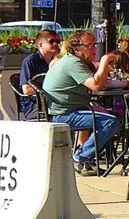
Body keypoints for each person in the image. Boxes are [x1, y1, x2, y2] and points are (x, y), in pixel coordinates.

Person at [41, 30, 121, 175]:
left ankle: (86, 159)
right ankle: (81, 157)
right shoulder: (73, 63)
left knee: (113, 116)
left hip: (71, 109)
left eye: (95, 45)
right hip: (64, 114)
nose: (94, 48)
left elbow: (99, 84)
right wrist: (104, 62)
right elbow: (96, 85)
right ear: (77, 48)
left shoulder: (73, 61)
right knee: (111, 122)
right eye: (90, 45)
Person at [18, 27, 61, 117]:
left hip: (55, 103)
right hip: (35, 106)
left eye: (58, 41)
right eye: (52, 41)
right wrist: (52, 90)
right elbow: (26, 90)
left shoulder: (59, 60)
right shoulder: (30, 61)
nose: (56, 44)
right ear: (40, 45)